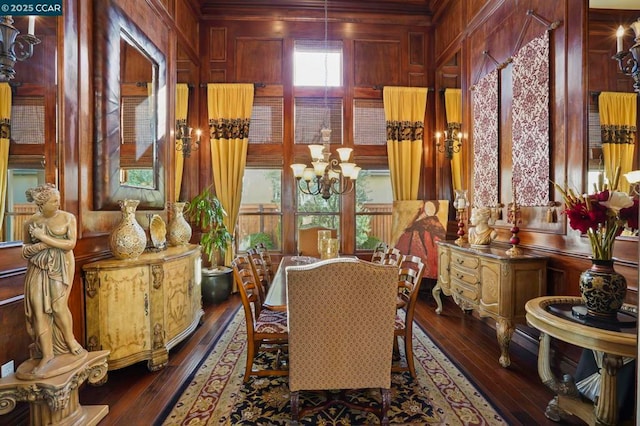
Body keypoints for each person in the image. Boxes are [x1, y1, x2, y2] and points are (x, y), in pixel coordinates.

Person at [21, 183, 86, 378]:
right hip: (37, 269)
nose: (58, 203)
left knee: (58, 307)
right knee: (39, 311)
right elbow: (24, 250)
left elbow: (70, 245)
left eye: (58, 199)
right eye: (53, 200)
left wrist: (43, 238)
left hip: (60, 267)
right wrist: (39, 246)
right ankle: (47, 354)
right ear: (42, 204)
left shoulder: (68, 218)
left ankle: (71, 341)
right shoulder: (30, 222)